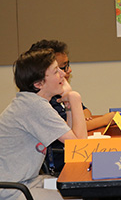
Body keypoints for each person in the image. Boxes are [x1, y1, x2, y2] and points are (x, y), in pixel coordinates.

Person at [0, 49, 87, 200]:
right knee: (80, 194)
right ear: (39, 83)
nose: (63, 74)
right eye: (55, 71)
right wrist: (74, 97)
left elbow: (73, 140)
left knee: (78, 191)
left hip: (28, 181)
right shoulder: (34, 107)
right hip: (12, 189)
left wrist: (68, 106)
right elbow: (80, 148)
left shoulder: (31, 102)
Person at [29, 39, 115, 174]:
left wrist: (79, 113)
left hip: (66, 158)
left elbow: (82, 114)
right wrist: (106, 119)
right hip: (57, 164)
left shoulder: (54, 95)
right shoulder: (39, 106)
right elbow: (78, 143)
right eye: (58, 69)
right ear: (39, 79)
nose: (66, 72)